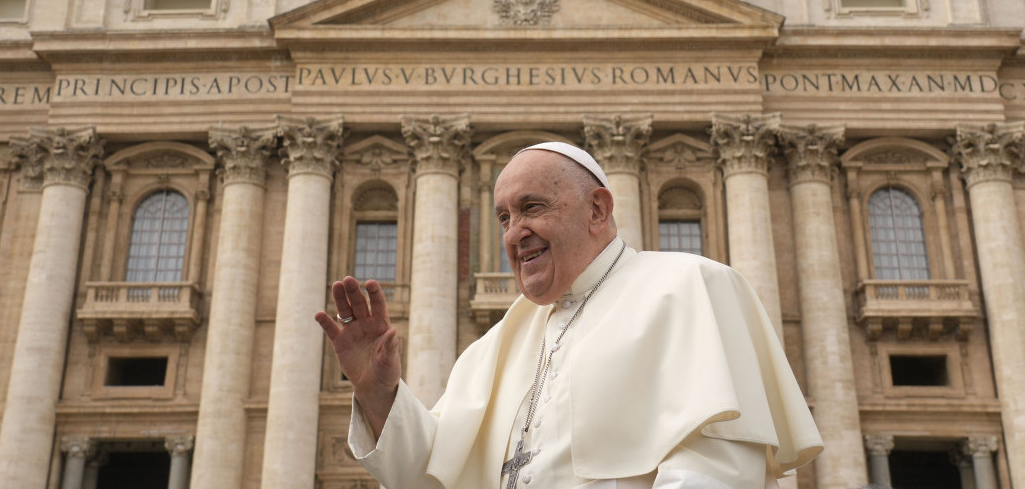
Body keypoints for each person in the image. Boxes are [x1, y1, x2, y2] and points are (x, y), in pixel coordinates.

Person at [317, 141, 822, 488]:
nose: (514, 233)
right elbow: (430, 475)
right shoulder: (494, 347)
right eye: (504, 218)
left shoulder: (689, 287)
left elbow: (714, 472)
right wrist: (379, 394)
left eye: (532, 207)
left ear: (598, 211)